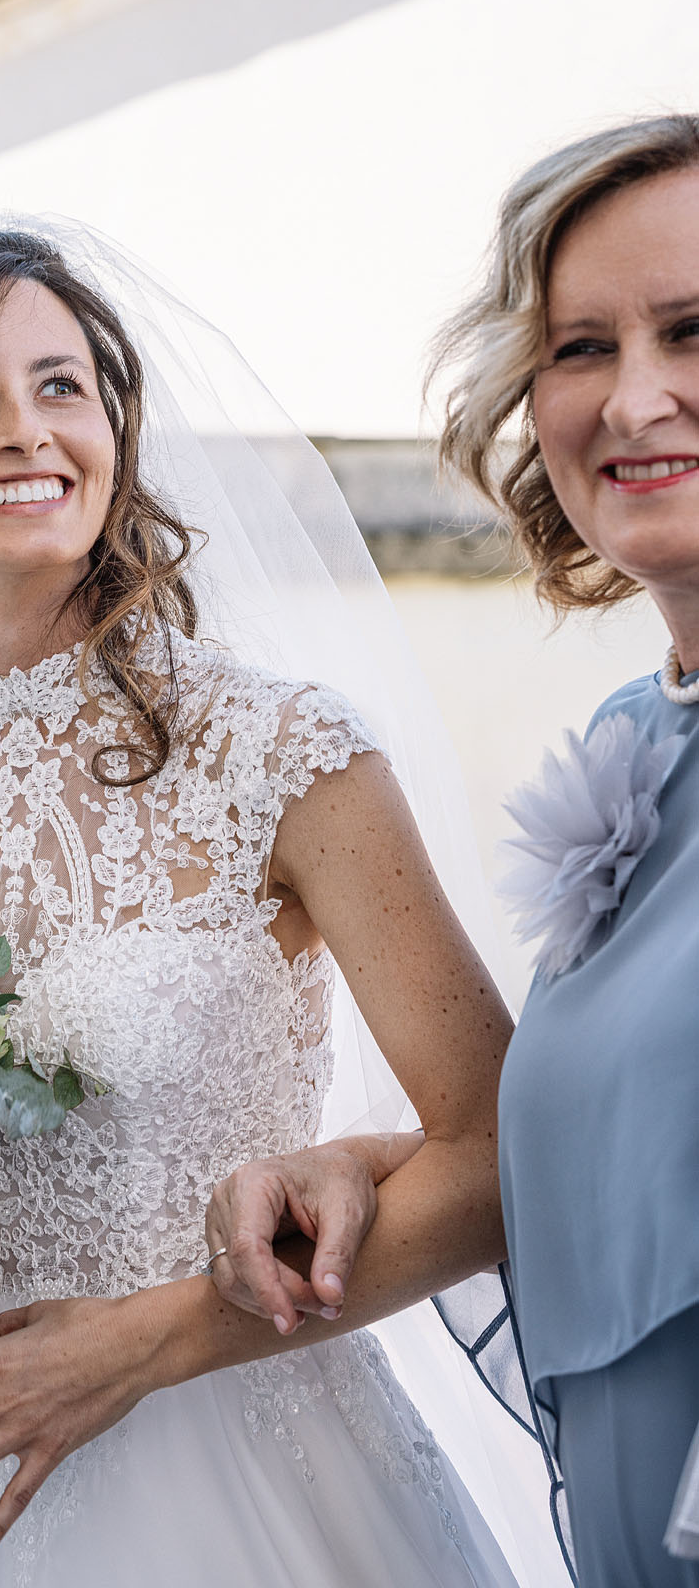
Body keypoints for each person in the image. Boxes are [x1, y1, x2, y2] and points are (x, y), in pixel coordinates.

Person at [0, 218, 548, 1585]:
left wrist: (151, 1339)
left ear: (117, 432)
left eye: (62, 385)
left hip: (251, 1449)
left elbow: (493, 1157)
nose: (23, 429)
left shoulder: (283, 752)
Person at [427, 114, 699, 1587]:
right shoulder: (629, 738)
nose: (635, 397)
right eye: (581, 344)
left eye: (691, 328)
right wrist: (359, 1171)